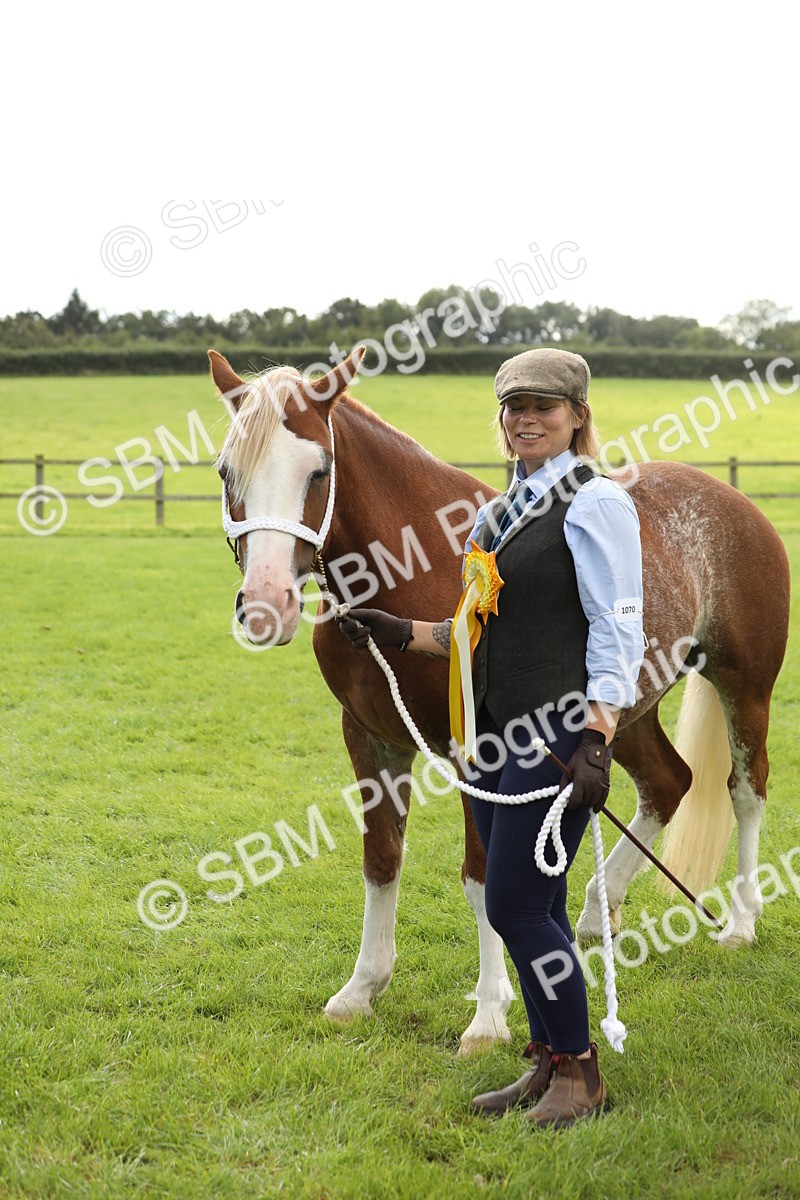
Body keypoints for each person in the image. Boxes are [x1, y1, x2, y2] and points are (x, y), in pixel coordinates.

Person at [337, 348, 643, 1128]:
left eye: (544, 405)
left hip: (559, 739)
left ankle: (582, 1072)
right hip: (495, 742)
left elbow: (619, 627)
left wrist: (599, 736)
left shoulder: (595, 502)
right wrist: (399, 629)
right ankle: (545, 1062)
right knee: (533, 900)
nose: (527, 418)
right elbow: (472, 630)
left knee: (513, 905)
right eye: (514, 408)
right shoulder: (494, 515)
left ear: (577, 415)